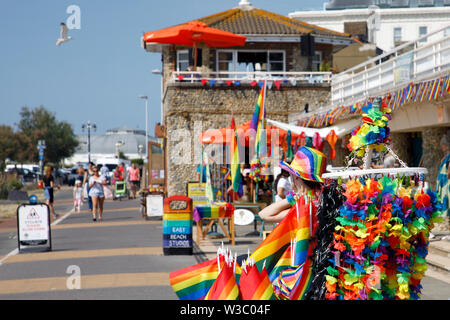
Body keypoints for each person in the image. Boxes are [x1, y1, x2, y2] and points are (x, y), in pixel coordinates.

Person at [259, 146, 326, 223]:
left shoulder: (302, 207)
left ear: (296, 177)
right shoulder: (324, 201)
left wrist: (292, 198)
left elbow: (263, 214)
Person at [436, 134, 450, 218]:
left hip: (446, 181)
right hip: (442, 180)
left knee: (445, 198)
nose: (442, 146)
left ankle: (446, 217)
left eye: (443, 144)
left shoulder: (448, 157)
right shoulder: (445, 156)